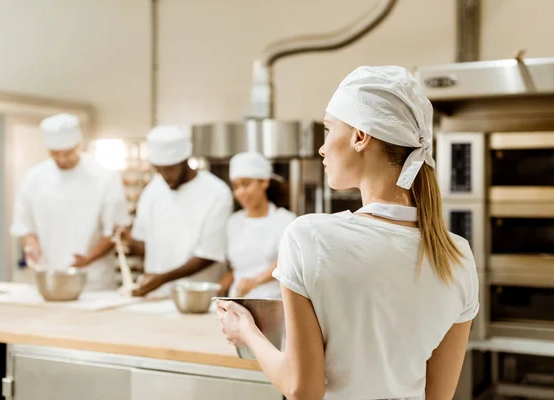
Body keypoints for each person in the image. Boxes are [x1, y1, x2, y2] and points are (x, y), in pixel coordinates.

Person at [216, 66, 480, 399]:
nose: (322, 149)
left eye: (329, 129)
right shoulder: (457, 256)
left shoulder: (309, 236)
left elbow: (302, 389)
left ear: (360, 136)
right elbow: (438, 397)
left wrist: (246, 330)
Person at [10, 113, 130, 291]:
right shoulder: (35, 177)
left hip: (92, 279)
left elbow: (116, 231)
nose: (62, 160)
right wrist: (31, 247)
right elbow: (24, 225)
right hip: (49, 274)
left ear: (79, 145)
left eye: (68, 153)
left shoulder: (105, 177)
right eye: (55, 154)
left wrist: (88, 258)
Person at [128, 125, 233, 297]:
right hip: (154, 296)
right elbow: (145, 245)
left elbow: (209, 254)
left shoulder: (216, 193)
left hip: (197, 298)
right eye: (158, 169)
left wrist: (162, 278)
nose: (163, 175)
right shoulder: (153, 190)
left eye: (169, 169)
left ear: (184, 161)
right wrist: (127, 240)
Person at [218, 151, 296, 298]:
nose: (240, 192)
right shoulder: (233, 222)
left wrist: (254, 282)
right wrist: (219, 287)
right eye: (236, 186)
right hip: (237, 299)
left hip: (273, 300)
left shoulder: (286, 220)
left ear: (264, 182)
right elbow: (237, 268)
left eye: (246, 184)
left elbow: (287, 263)